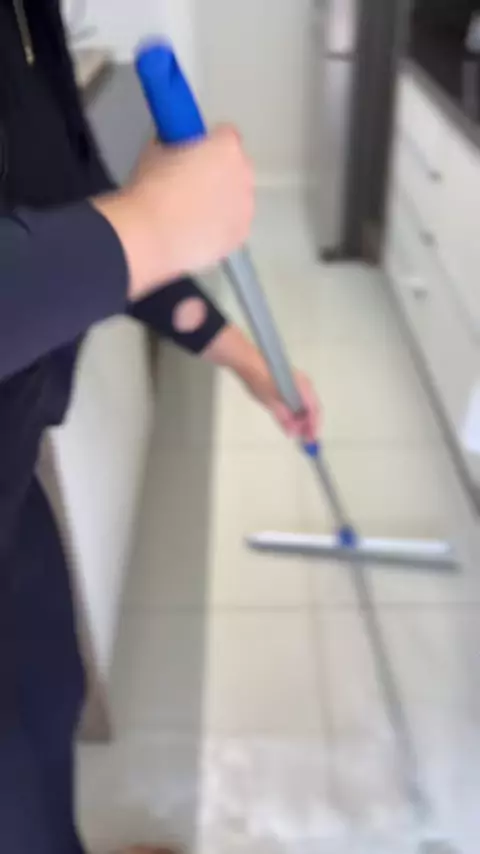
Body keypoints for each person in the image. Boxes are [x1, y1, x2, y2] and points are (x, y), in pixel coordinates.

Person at [0, 2, 320, 853]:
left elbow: (68, 208)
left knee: (48, 702)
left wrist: (241, 356)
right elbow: (111, 237)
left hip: (10, 499)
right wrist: (153, 226)